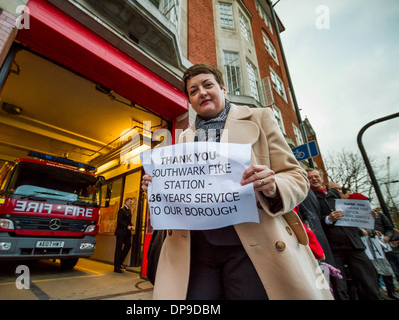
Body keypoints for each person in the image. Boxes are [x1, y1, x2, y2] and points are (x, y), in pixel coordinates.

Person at [141, 64, 333, 300]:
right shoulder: (183, 139)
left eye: (207, 85)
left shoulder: (261, 118)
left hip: (252, 245)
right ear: (190, 101)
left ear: (222, 89)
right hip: (197, 248)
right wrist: (158, 187)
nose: (201, 92)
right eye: (193, 90)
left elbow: (296, 176)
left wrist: (273, 187)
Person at [307, 169, 380, 300]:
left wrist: (367, 214)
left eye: (316, 176)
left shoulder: (336, 194)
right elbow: (313, 221)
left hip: (353, 244)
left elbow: (352, 214)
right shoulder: (309, 198)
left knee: (368, 281)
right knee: (339, 285)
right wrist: (328, 219)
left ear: (322, 178)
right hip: (332, 248)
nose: (314, 179)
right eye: (310, 177)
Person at [113, 198, 134, 273]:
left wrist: (132, 225)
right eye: (129, 202)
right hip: (121, 232)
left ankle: (120, 262)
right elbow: (119, 221)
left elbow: (128, 221)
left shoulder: (129, 210)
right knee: (118, 249)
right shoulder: (121, 210)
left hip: (127, 233)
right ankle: (116, 267)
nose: (131, 203)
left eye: (131, 202)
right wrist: (127, 226)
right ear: (125, 202)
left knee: (128, 245)